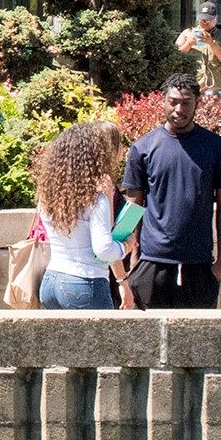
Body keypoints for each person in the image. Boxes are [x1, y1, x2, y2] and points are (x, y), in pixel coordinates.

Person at [119, 75, 221, 309]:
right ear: (163, 101)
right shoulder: (143, 148)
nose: (179, 109)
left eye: (186, 103)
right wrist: (127, 261)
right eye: (173, 102)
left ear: (197, 103)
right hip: (150, 263)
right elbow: (133, 207)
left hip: (200, 266)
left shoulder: (217, 148)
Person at [30, 120, 132, 310]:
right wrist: (127, 245)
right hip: (86, 282)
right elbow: (103, 250)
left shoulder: (49, 193)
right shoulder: (96, 197)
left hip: (51, 281)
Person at [175, 2, 221, 95]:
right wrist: (188, 43)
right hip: (192, 86)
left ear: (215, 19)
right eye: (201, 19)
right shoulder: (187, 33)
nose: (204, 22)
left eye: (207, 20)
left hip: (217, 87)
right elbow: (175, 57)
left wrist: (212, 43)